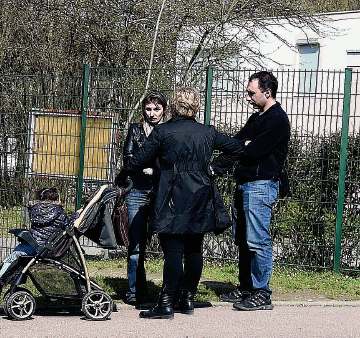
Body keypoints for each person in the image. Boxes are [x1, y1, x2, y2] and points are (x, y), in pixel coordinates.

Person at [115, 88, 241, 319]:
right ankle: (187, 299)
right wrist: (215, 168)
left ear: (173, 106)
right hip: (200, 194)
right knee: (194, 248)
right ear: (195, 107)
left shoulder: (163, 131)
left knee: (173, 249)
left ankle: (166, 302)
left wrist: (122, 176)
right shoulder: (207, 132)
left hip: (172, 195)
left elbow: (140, 158)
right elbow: (237, 148)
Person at [215, 70, 291, 312]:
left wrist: (246, 145)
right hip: (245, 183)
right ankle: (246, 287)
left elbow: (255, 150)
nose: (248, 97)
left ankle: (261, 293)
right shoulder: (256, 119)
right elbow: (235, 143)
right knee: (243, 240)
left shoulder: (277, 120)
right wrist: (243, 145)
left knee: (258, 241)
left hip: (261, 184)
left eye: (251, 93)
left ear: (267, 93)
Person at [119, 92, 166, 306]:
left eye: (156, 109)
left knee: (168, 244)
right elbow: (128, 157)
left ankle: (168, 291)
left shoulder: (169, 130)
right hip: (137, 191)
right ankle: (135, 291)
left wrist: (155, 170)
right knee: (136, 244)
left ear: (164, 110)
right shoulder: (136, 130)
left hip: (161, 192)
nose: (152, 113)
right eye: (148, 109)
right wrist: (143, 167)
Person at [0, 187, 70, 297]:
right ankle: (3, 272)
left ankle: (0, 279)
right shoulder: (60, 213)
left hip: (33, 244)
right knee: (19, 253)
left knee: (17, 253)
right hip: (50, 247)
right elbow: (67, 225)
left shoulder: (34, 210)